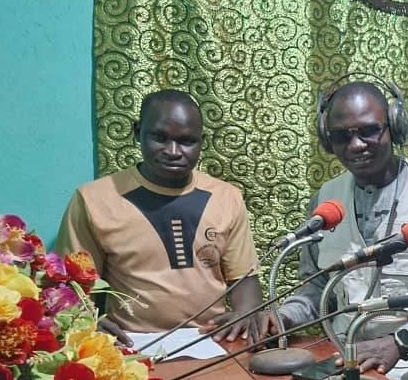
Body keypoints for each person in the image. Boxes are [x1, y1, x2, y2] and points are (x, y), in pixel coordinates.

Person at [278, 78, 408, 380]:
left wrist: (399, 341)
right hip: (346, 357)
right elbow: (315, 290)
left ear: (395, 128)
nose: (356, 145)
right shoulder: (325, 200)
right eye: (342, 136)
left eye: (369, 131)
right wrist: (283, 318)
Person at [56, 89, 278, 346]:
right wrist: (86, 323)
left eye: (187, 141)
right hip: (131, 344)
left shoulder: (226, 197)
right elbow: (72, 287)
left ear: (202, 142)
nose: (173, 151)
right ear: (137, 132)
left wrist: (245, 314)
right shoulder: (94, 200)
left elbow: (245, 280)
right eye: (160, 138)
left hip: (212, 341)